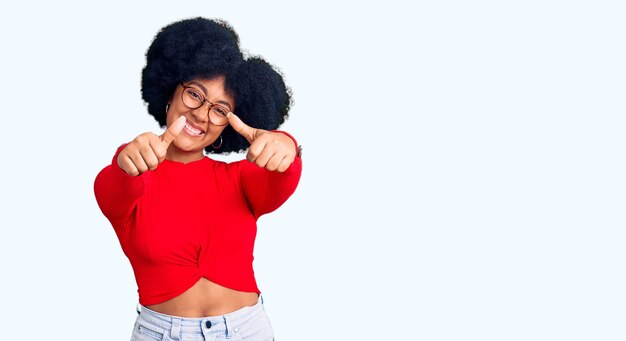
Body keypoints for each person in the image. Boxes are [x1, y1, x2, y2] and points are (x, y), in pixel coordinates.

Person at [94, 17, 302, 341]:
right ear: (171, 88)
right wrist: (127, 161)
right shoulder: (135, 170)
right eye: (195, 94)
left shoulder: (239, 180)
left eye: (220, 110)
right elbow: (113, 186)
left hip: (247, 330)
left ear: (230, 124)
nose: (202, 114)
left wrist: (286, 144)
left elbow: (281, 175)